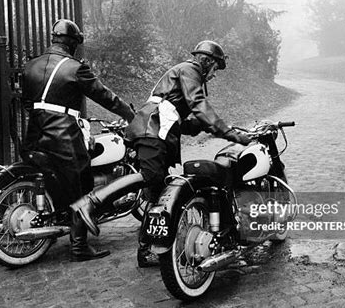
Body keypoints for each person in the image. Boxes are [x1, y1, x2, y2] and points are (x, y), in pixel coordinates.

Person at [71, 40, 251, 267]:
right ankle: (90, 203)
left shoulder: (183, 72)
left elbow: (177, 115)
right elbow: (197, 104)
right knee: (151, 176)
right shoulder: (190, 69)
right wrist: (228, 133)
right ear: (206, 61)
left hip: (155, 129)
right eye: (215, 69)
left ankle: (146, 250)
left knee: (158, 193)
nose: (214, 75)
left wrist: (203, 125)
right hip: (151, 130)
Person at [21, 19, 135, 262]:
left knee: (53, 177)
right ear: (73, 43)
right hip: (62, 133)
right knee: (81, 184)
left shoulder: (31, 65)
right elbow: (105, 96)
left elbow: (25, 101)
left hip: (34, 131)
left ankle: (60, 217)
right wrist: (130, 114)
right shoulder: (74, 68)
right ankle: (79, 246)